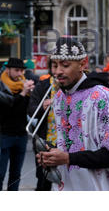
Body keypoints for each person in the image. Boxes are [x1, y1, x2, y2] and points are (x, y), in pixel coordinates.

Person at [36, 37, 109, 190]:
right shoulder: (59, 97)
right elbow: (65, 144)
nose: (58, 71)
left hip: (100, 188)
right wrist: (51, 154)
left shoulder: (104, 98)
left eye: (65, 65)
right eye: (55, 65)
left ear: (83, 63)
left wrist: (68, 158)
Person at [0, 58, 35, 190]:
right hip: (4, 134)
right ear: (8, 70)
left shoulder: (23, 85)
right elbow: (7, 108)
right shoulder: (2, 85)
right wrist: (23, 93)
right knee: (0, 173)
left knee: (16, 174)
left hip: (21, 135)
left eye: (22, 70)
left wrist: (32, 94)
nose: (20, 73)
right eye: (16, 70)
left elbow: (28, 110)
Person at [28, 59, 58, 191]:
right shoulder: (43, 85)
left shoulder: (72, 87)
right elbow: (31, 110)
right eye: (55, 65)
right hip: (45, 139)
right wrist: (42, 107)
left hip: (67, 143)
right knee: (43, 180)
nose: (58, 70)